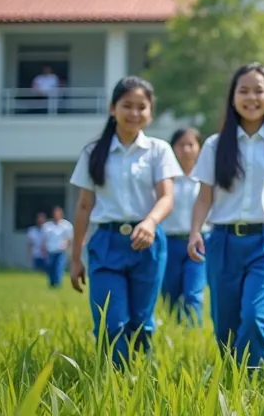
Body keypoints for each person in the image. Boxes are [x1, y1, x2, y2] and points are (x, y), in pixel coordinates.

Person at [187, 62, 264, 371]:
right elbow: (204, 197)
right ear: (232, 97)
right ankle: (231, 382)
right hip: (222, 242)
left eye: (259, 91)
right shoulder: (215, 145)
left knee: (255, 317)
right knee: (225, 326)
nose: (251, 98)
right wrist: (195, 232)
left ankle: (256, 381)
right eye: (244, 91)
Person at [68, 76, 181, 368]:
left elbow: (167, 197)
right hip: (106, 244)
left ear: (150, 112)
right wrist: (75, 257)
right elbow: (83, 206)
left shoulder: (159, 150)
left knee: (141, 322)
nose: (134, 113)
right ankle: (112, 379)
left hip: (148, 243)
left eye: (141, 107)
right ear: (112, 108)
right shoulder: (93, 153)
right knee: (110, 322)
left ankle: (138, 379)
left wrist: (151, 222)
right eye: (127, 105)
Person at [161, 127, 208, 326]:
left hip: (199, 242)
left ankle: (192, 334)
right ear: (173, 148)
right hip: (169, 242)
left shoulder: (206, 180)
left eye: (191, 144)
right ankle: (175, 333)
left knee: (193, 294)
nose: (186, 149)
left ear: (199, 148)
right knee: (170, 294)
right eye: (181, 145)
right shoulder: (165, 179)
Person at [42, 206, 73, 288]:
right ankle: (51, 282)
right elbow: (44, 240)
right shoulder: (47, 226)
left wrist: (67, 247)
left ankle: (58, 284)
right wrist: (44, 251)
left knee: (59, 267)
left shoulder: (66, 225)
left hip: (60, 250)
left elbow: (70, 238)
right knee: (50, 267)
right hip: (50, 250)